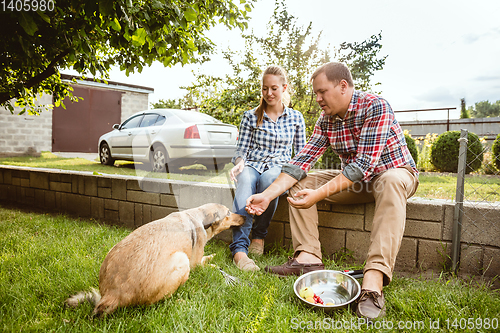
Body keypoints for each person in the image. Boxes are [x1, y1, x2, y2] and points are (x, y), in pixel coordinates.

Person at [245, 62, 419, 319]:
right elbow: (299, 163)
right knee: (302, 181)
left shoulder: (375, 107)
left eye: (322, 92)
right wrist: (267, 195)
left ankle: (374, 279)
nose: (317, 99)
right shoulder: (326, 120)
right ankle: (307, 258)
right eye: (316, 93)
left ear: (343, 86)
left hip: (394, 173)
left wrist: (318, 195)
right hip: (359, 183)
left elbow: (362, 165)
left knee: (390, 180)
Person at [229, 65, 306, 272]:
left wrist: (296, 175)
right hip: (252, 163)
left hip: (279, 166)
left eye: (273, 88)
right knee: (246, 179)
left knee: (269, 180)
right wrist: (239, 164)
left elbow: (301, 155)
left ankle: (259, 236)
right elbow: (241, 150)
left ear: (284, 88)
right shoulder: (250, 116)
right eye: (264, 89)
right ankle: (239, 250)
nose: (269, 93)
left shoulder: (296, 118)